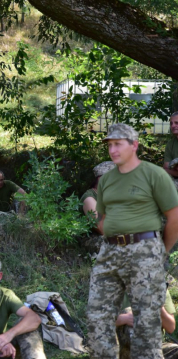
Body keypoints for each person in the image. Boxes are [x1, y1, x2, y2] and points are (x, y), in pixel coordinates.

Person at [87, 123, 178, 358]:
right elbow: (102, 218)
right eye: (109, 145)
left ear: (134, 145)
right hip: (110, 251)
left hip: (144, 249)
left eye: (118, 144)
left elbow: (174, 217)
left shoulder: (154, 174)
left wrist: (160, 252)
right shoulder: (107, 180)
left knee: (146, 326)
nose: (113, 149)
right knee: (97, 316)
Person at [117, 289, 178, 359]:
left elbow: (171, 328)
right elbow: (102, 321)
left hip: (155, 347)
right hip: (119, 347)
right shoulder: (109, 284)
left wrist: (159, 306)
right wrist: (124, 319)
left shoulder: (158, 287)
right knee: (130, 313)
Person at [164, 111, 178, 190]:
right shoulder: (170, 144)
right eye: (171, 123)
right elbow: (165, 168)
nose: (173, 126)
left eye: (176, 123)